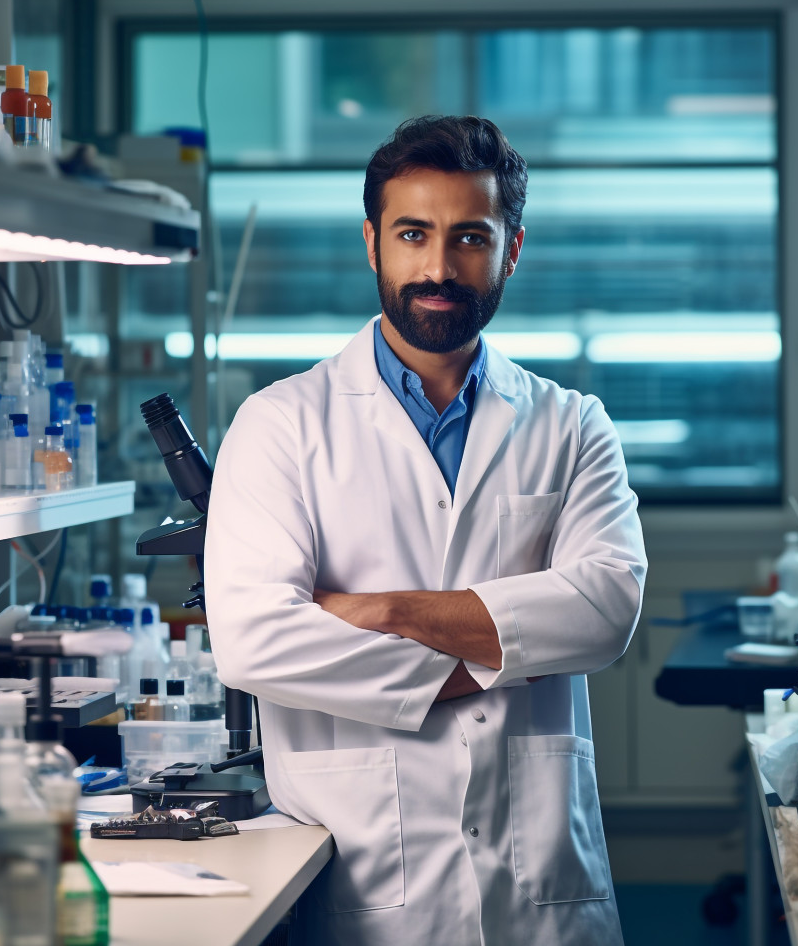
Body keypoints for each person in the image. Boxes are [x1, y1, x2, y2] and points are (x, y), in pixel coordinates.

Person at [205, 115, 647, 946]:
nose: (439, 267)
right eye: (414, 234)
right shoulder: (280, 426)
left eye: (470, 237)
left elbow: (604, 611)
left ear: (511, 250)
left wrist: (379, 610)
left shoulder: (572, 424)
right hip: (373, 886)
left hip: (541, 888)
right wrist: (501, 656)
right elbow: (254, 640)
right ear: (373, 242)